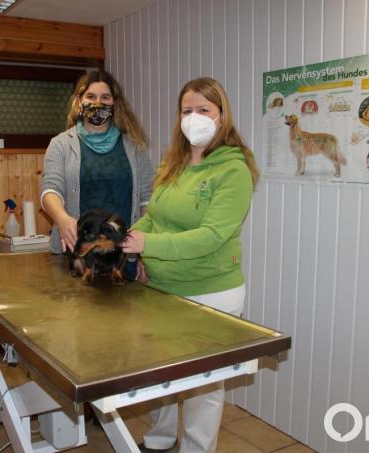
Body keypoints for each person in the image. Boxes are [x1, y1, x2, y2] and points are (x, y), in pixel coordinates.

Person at [121, 77, 260, 453]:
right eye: (187, 110)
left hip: (211, 293)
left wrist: (149, 244)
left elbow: (212, 235)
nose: (194, 117)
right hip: (163, 290)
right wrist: (130, 237)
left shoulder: (234, 169)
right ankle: (161, 440)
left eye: (203, 110)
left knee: (203, 387)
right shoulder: (174, 162)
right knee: (161, 375)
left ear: (221, 116)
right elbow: (156, 215)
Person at [41, 70, 154, 278]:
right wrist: (62, 219)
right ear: (79, 101)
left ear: (115, 103)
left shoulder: (135, 145)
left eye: (105, 98)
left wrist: (146, 256)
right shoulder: (60, 145)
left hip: (122, 260)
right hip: (77, 259)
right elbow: (50, 189)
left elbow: (147, 199)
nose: (97, 103)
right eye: (90, 97)